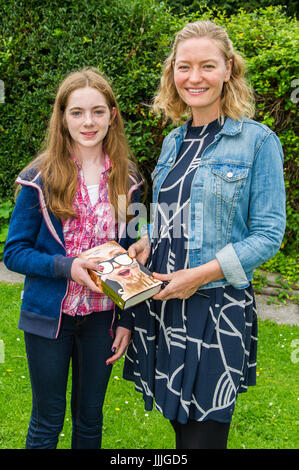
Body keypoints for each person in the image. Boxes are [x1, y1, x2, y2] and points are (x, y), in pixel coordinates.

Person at [124, 21, 286, 449]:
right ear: (172, 73)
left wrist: (200, 274)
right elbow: (168, 216)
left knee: (204, 437)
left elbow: (269, 233)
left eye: (207, 66)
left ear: (228, 69)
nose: (194, 78)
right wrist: (147, 240)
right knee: (180, 431)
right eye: (184, 67)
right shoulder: (173, 142)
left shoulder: (257, 141)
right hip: (163, 304)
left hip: (216, 307)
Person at [3, 67, 142, 449]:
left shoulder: (129, 180)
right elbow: (13, 253)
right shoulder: (39, 177)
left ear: (112, 114)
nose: (88, 122)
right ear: (62, 117)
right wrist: (67, 266)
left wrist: (127, 318)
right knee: (47, 421)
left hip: (102, 319)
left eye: (98, 111)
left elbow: (133, 254)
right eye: (77, 112)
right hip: (50, 319)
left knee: (90, 421)